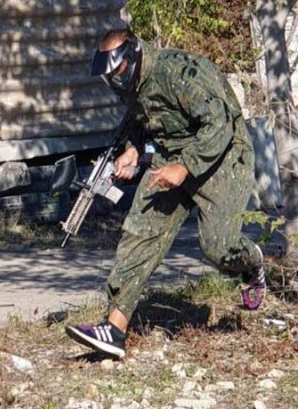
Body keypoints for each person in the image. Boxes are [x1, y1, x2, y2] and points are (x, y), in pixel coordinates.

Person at [65, 28, 266, 359]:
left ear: (134, 54)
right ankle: (113, 329)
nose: (115, 81)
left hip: (224, 156)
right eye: (110, 76)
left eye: (119, 72)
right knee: (139, 233)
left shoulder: (179, 71)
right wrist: (132, 150)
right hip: (170, 159)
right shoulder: (131, 81)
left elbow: (219, 124)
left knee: (219, 247)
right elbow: (140, 118)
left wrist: (185, 167)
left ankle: (251, 262)